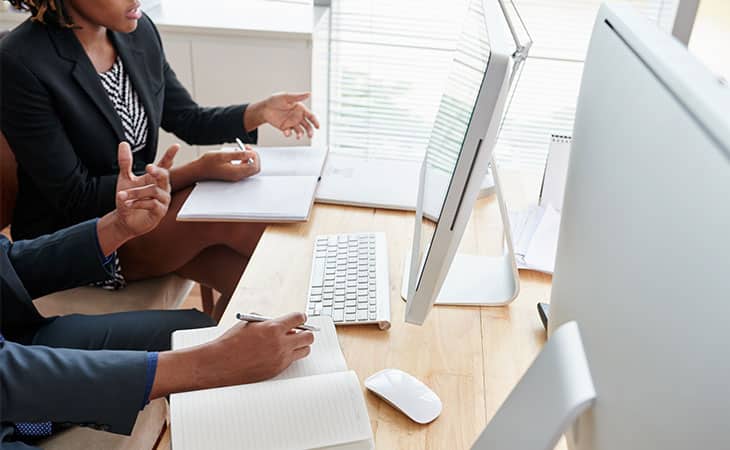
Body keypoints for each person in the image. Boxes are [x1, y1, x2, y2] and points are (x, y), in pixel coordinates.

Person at [0, 0, 320, 319]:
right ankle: (331, 277)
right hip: (81, 237)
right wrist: (195, 171)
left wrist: (259, 112)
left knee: (264, 290)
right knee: (232, 219)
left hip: (143, 211)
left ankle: (283, 336)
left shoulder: (137, 32)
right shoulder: (20, 61)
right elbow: (75, 197)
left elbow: (187, 119)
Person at [0, 142, 314, 449]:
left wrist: (117, 226)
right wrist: (207, 364)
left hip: (17, 336)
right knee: (209, 350)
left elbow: (10, 263)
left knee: (195, 332)